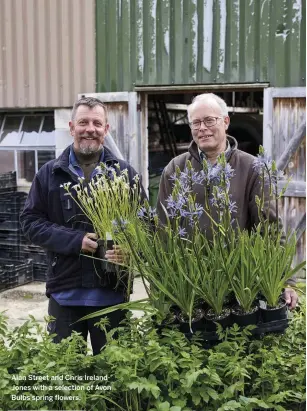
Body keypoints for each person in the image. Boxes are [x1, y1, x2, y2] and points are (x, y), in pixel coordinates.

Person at [20, 97, 146, 355]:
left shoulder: (125, 174)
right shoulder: (49, 174)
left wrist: (130, 250)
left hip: (111, 296)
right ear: (71, 127)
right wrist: (75, 240)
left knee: (114, 376)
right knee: (67, 377)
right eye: (83, 122)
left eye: (97, 123)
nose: (90, 128)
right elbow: (30, 222)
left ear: (106, 129)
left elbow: (147, 226)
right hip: (65, 296)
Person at [156, 93, 298, 309]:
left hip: (240, 286)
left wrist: (286, 280)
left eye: (209, 120)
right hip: (190, 288)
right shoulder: (175, 169)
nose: (202, 128)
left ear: (225, 121)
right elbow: (164, 231)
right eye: (196, 123)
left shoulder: (252, 168)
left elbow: (270, 229)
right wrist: (163, 286)